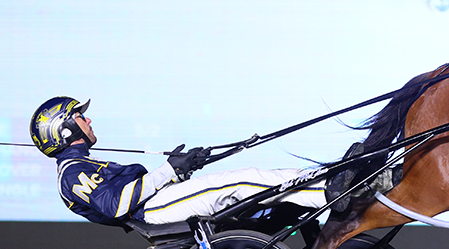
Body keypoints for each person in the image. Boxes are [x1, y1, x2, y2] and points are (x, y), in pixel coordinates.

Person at [30, 97, 326, 226]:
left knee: (245, 180)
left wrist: (181, 170)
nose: (89, 119)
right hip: (153, 210)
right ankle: (328, 190)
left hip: (159, 202)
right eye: (80, 116)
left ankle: (322, 181)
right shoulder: (71, 173)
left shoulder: (82, 165)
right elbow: (116, 204)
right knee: (241, 180)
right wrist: (169, 169)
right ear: (64, 129)